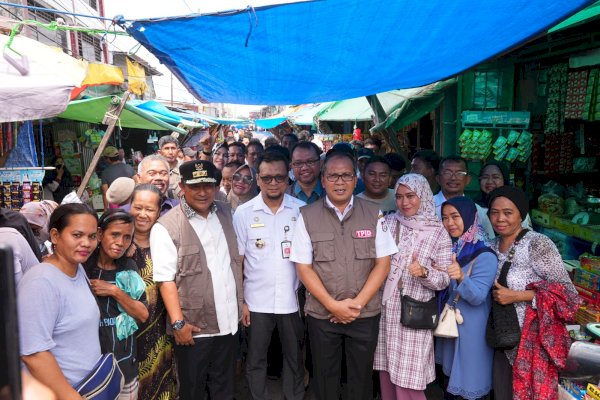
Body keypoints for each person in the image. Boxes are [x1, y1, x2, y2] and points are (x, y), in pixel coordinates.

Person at [290, 151, 397, 400]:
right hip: (322, 315)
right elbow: (303, 267)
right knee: (325, 379)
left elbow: (383, 263)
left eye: (346, 175)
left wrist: (356, 305)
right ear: (323, 179)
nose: (340, 182)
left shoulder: (374, 214)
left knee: (360, 380)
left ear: (355, 178)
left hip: (364, 314)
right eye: (333, 176)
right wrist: (332, 306)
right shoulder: (307, 216)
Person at [150, 160, 243, 400]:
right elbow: (166, 280)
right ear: (181, 186)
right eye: (195, 186)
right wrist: (179, 324)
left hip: (229, 322)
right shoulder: (166, 227)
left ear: (216, 186)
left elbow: (234, 261)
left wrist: (242, 303)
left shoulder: (224, 212)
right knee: (193, 390)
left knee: (224, 387)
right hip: (195, 329)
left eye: (208, 185)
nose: (203, 192)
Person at [487, 186, 579, 400]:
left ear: (521, 214)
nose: (500, 218)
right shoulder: (490, 246)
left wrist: (518, 295)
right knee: (502, 392)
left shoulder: (537, 244)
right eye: (494, 212)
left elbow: (569, 296)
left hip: (531, 341)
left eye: (508, 213)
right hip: (501, 338)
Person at [233, 152, 306, 400]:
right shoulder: (243, 213)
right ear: (258, 179)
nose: (273, 183)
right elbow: (239, 261)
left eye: (279, 178)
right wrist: (241, 300)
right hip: (255, 301)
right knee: (255, 358)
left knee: (295, 357)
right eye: (267, 178)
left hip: (292, 301)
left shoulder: (301, 211)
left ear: (288, 179)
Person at [374, 173, 452, 400]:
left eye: (411, 196)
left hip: (414, 313)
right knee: (386, 372)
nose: (404, 202)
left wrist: (425, 273)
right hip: (385, 310)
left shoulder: (438, 232)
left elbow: (445, 278)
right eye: (399, 197)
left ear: (423, 196)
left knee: (410, 379)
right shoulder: (387, 223)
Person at [18, 203, 101, 399]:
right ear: (55, 236)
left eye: (92, 236)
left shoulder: (77, 267)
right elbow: (33, 353)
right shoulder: (41, 282)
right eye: (77, 235)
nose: (86, 243)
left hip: (88, 388)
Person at [435, 197, 497, 400]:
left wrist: (461, 276)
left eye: (455, 216)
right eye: (445, 218)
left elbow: (478, 296)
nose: (449, 223)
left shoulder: (484, 254)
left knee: (469, 384)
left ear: (470, 217)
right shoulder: (454, 247)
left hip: (472, 331)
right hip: (453, 326)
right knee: (452, 382)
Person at [84, 210, 149, 399]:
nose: (120, 242)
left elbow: (142, 314)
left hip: (124, 365)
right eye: (115, 234)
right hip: (90, 370)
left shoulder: (128, 267)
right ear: (99, 233)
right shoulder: (83, 267)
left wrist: (115, 291)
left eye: (127, 237)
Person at [129, 184, 177, 399]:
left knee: (161, 380)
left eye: (149, 209)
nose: (142, 214)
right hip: (128, 334)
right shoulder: (118, 244)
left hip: (160, 329)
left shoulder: (167, 242)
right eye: (137, 207)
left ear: (159, 212)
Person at [433, 156, 495, 239]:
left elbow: (490, 242)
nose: (453, 178)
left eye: (460, 173)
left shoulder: (477, 211)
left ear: (468, 180)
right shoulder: (427, 206)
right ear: (438, 178)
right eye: (447, 173)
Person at [476, 161, 532, 230]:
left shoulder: (516, 204)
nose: (490, 181)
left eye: (495, 177)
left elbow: (526, 234)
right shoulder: (473, 206)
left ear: (505, 180)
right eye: (485, 177)